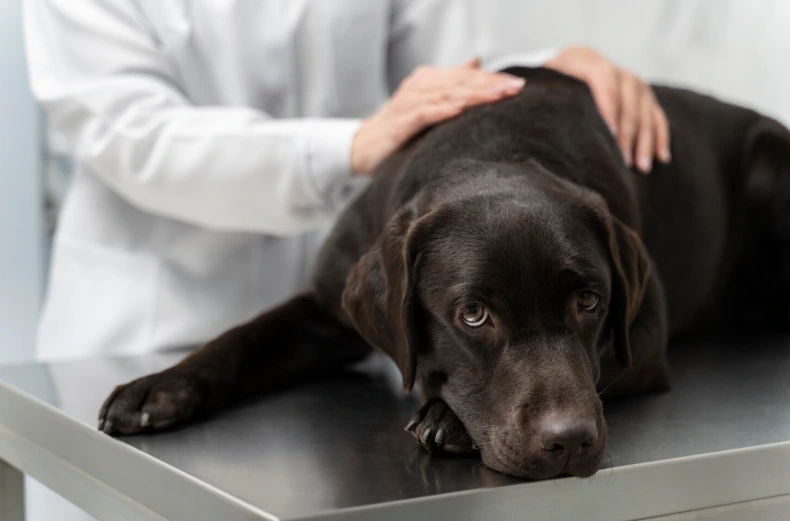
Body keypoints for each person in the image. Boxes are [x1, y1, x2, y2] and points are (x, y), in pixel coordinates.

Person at [23, 1, 668, 517]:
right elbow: (129, 131)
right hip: (145, 315)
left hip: (347, 351)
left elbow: (458, 66)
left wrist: (546, 67)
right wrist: (347, 147)